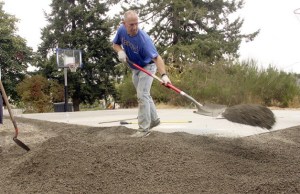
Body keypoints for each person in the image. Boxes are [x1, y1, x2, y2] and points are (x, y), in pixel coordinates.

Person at [112, 10, 171, 137]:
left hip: (147, 66)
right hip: (135, 68)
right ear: (124, 23)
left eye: (136, 24)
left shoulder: (144, 39)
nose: (134, 27)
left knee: (142, 95)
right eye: (131, 24)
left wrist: (164, 75)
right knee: (145, 95)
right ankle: (154, 120)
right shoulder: (121, 30)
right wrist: (120, 52)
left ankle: (143, 129)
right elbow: (115, 44)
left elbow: (157, 58)